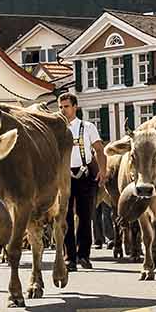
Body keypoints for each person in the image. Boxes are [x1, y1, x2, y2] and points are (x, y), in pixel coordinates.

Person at [59, 92, 106, 271]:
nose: (63, 110)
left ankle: (83, 255)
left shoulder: (87, 127)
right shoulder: (57, 128)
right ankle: (69, 257)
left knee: (85, 216)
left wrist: (103, 170)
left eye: (67, 106)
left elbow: (99, 150)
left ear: (75, 107)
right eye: (61, 107)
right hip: (64, 175)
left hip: (85, 174)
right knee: (66, 217)